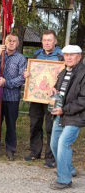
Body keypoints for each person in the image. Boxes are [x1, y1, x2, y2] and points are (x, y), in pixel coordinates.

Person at [23, 30, 63, 168]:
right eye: (44, 40)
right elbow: (31, 72)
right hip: (36, 96)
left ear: (55, 41)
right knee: (35, 124)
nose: (46, 42)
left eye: (49, 40)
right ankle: (35, 152)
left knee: (50, 126)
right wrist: (27, 74)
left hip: (52, 98)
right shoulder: (36, 54)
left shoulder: (60, 57)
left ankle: (50, 157)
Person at [49, 45, 85, 190]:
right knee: (54, 144)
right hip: (61, 113)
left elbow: (83, 99)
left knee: (63, 143)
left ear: (79, 57)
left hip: (75, 115)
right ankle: (69, 169)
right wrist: (54, 89)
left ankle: (64, 180)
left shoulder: (83, 73)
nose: (69, 57)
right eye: (66, 55)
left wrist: (64, 110)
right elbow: (60, 88)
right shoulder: (64, 71)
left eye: (72, 55)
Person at [0, 34, 27, 161]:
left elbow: (22, 78)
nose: (11, 43)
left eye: (14, 41)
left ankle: (10, 149)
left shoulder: (21, 59)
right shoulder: (0, 56)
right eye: (9, 41)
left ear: (17, 43)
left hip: (12, 97)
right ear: (4, 42)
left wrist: (7, 82)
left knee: (11, 124)